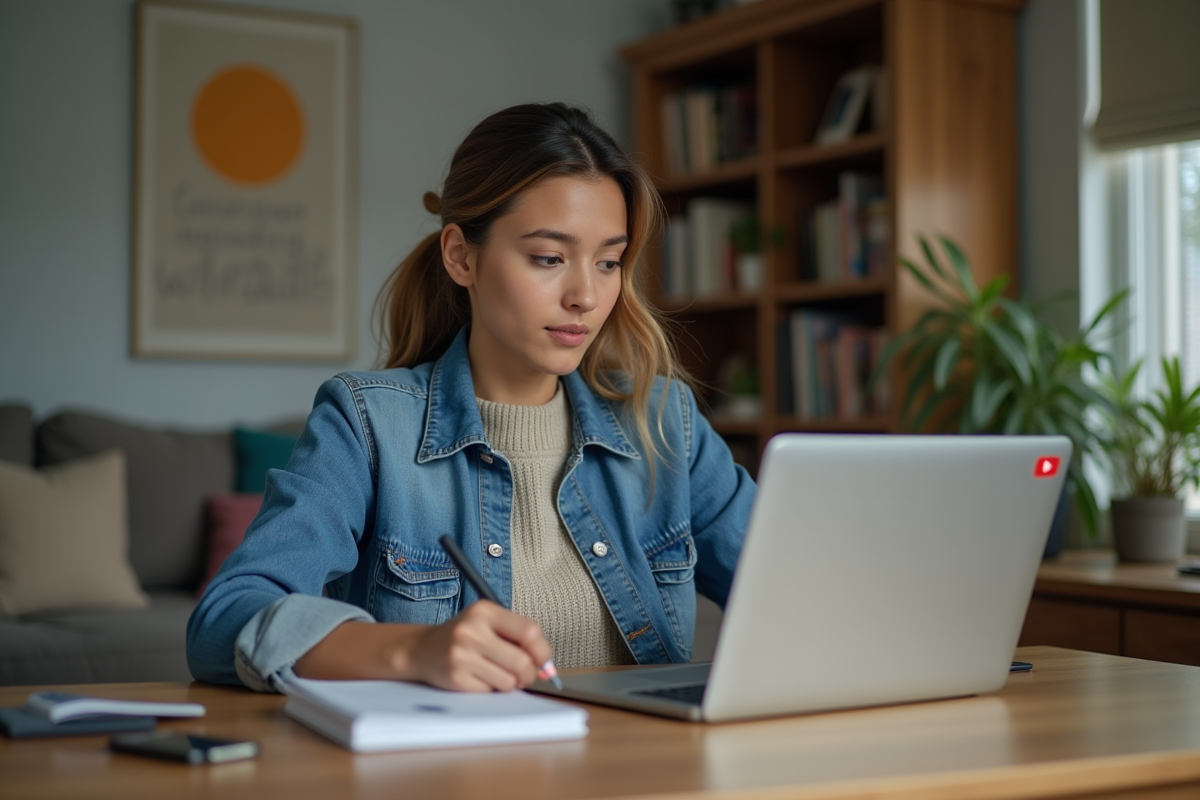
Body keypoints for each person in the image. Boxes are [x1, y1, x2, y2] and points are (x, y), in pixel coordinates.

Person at [186, 102, 755, 694]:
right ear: (461, 256)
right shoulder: (369, 424)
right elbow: (224, 620)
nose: (586, 294)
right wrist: (411, 649)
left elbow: (797, 588)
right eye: (549, 258)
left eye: (609, 262)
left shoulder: (665, 424)